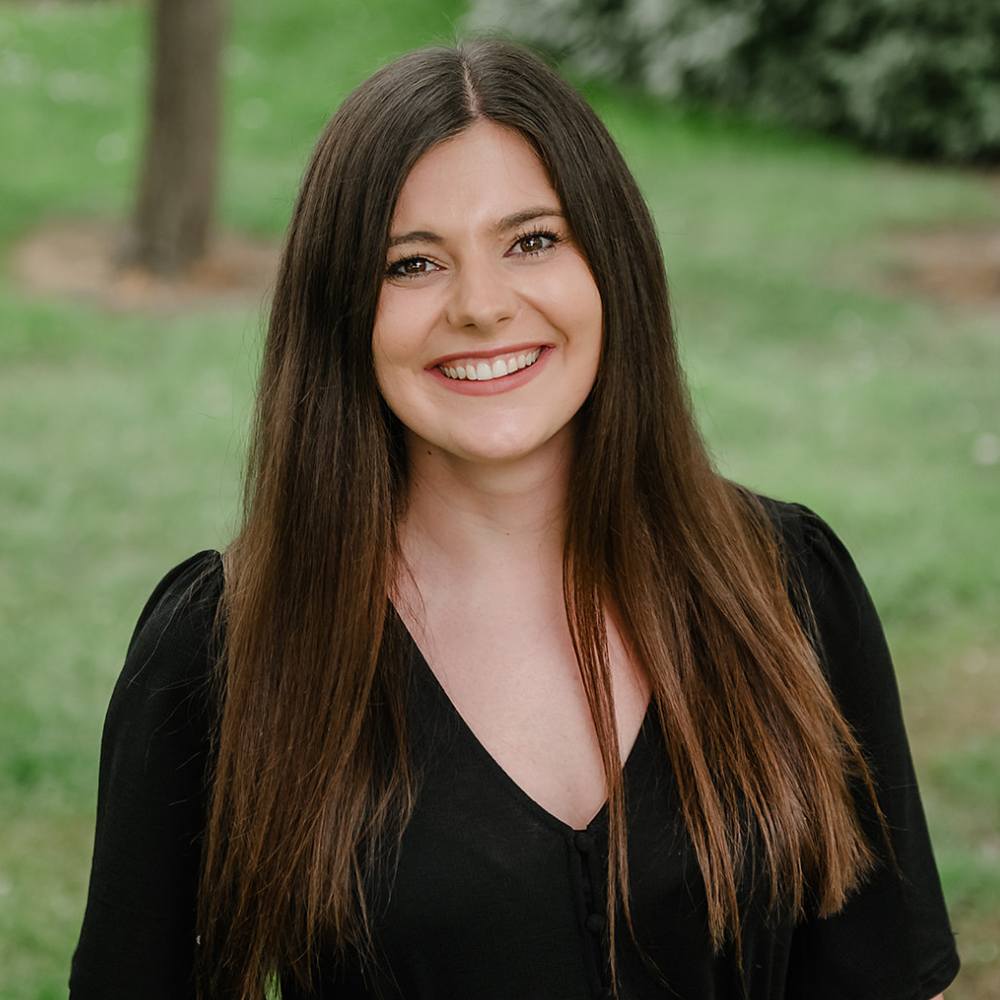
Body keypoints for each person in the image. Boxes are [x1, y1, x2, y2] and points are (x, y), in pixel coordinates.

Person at [69, 36, 960, 1000]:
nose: (483, 307)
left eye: (533, 241)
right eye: (412, 264)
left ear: (610, 264)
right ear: (341, 309)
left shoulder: (788, 591)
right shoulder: (225, 648)